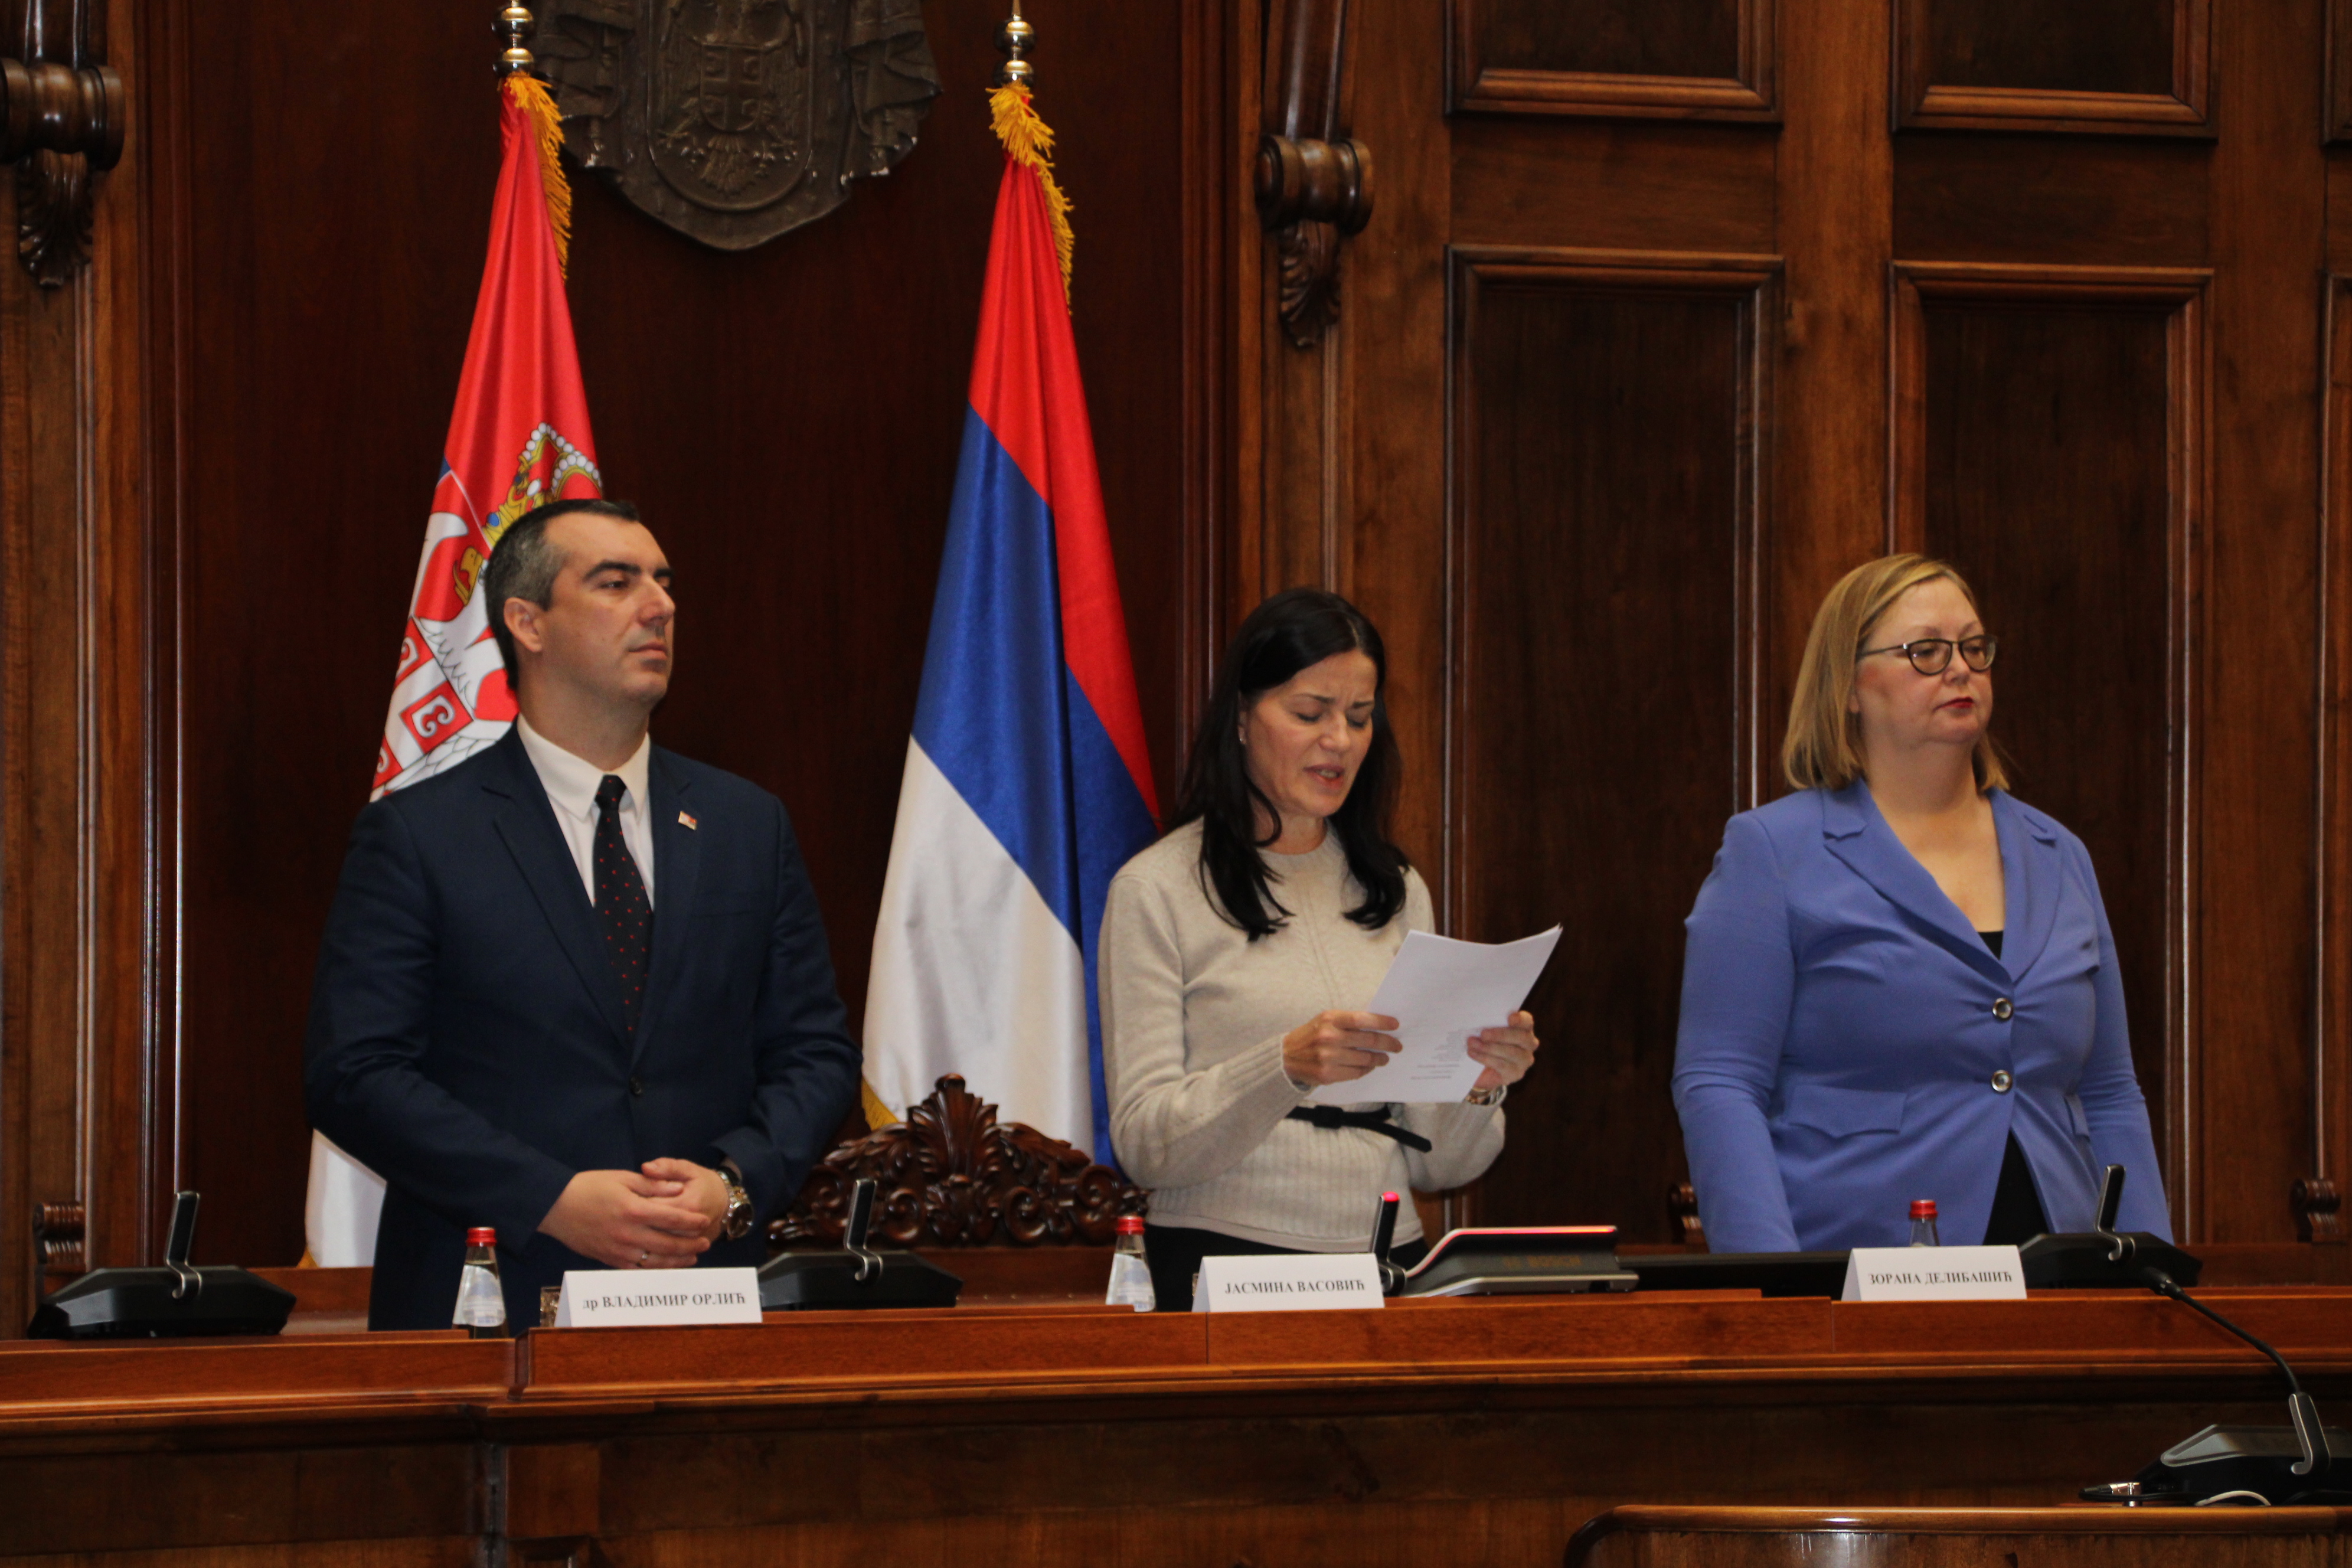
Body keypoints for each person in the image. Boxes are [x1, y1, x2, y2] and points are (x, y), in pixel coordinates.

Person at [305, 498, 860, 1330]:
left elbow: (815, 1052)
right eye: (616, 582)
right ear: (527, 622)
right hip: (488, 1308)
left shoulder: (748, 824)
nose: (660, 605)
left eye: (663, 582)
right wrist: (549, 1199)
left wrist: (732, 1184)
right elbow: (355, 1074)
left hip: (704, 1300)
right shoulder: (420, 835)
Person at [1672, 554, 2172, 1253]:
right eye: (1926, 651)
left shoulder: (2059, 854)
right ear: (1849, 686)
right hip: (1861, 1266)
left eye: (1974, 648)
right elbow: (1721, 1083)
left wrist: (2151, 1273)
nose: (1960, 669)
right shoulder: (1774, 853)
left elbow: (2111, 1091)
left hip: (2059, 1273)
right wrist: (1774, 1282)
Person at [1102, 588, 1541, 1308]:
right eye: (1311, 714)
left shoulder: (1396, 887)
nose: (1339, 739)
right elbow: (1146, 1146)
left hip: (1387, 1262)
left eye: (1359, 717)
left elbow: (1441, 1167)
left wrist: (1479, 1083)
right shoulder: (1156, 889)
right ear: (1241, 718)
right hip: (1223, 1266)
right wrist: (1285, 1065)